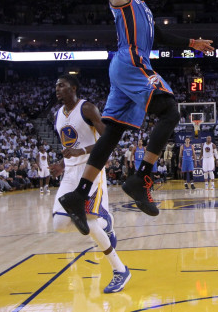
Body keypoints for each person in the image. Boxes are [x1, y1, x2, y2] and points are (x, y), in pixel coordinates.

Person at [58, 0, 214, 233]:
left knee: (112, 133)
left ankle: (78, 195)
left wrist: (192, 43)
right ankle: (142, 178)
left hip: (125, 70)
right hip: (131, 64)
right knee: (170, 109)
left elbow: (162, 36)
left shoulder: (144, 8)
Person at [52, 74, 129, 294]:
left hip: (91, 169)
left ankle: (120, 270)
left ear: (73, 87)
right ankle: (107, 222)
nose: (57, 89)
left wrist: (81, 152)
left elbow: (108, 140)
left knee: (90, 224)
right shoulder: (58, 115)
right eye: (56, 86)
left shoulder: (87, 108)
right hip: (70, 172)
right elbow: (71, 145)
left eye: (62, 85)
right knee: (59, 224)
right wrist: (62, 163)